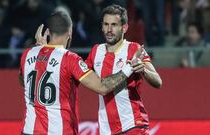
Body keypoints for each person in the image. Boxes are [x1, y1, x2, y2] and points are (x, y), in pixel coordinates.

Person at [19, 10, 142, 135]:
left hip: (28, 130)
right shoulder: (70, 59)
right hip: (59, 131)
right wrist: (129, 67)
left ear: (48, 32)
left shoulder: (28, 54)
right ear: (70, 32)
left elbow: (24, 81)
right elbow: (102, 87)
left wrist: (40, 48)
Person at [85, 4, 162, 134]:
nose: (109, 29)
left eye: (114, 25)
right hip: (107, 130)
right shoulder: (96, 51)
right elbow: (77, 71)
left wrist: (143, 70)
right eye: (106, 24)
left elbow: (158, 81)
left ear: (124, 28)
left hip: (133, 125)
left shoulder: (134, 49)